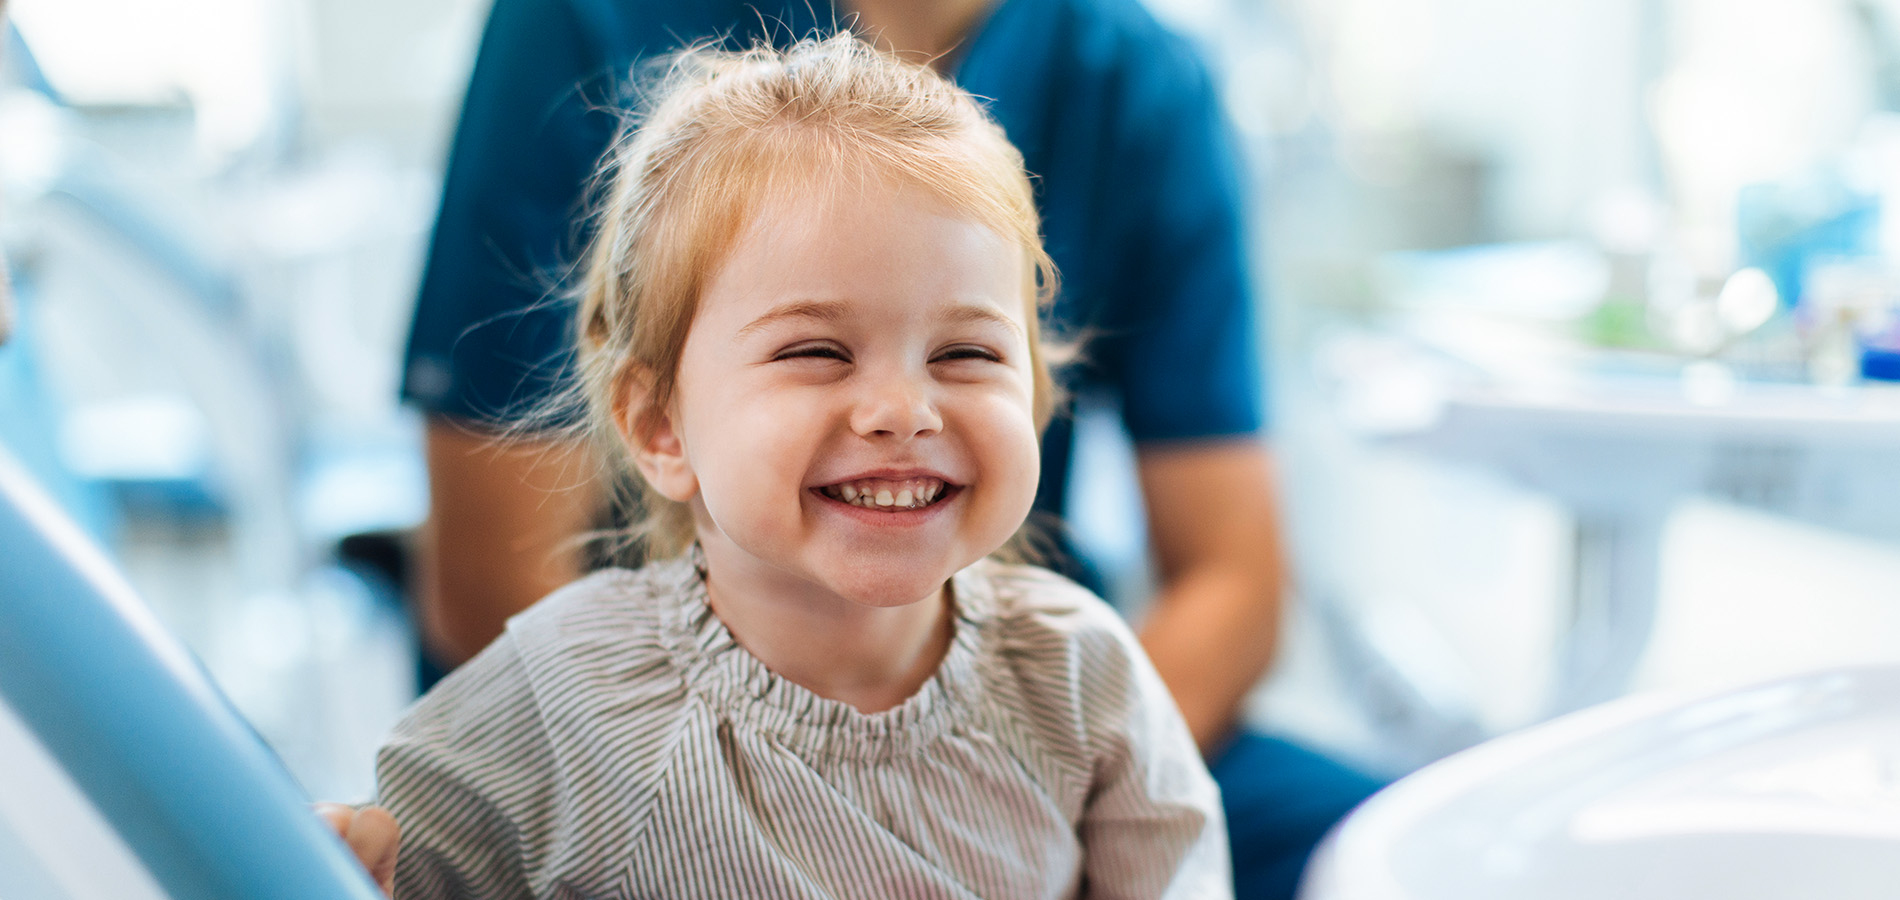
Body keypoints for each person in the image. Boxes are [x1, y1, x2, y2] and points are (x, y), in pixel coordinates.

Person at [401, 0, 1383, 895]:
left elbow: (1234, 579)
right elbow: (400, 810)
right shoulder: (564, 689)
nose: (902, 409)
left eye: (965, 353)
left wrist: (1045, 790)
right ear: (659, 425)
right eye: (817, 351)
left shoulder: (1086, 679)